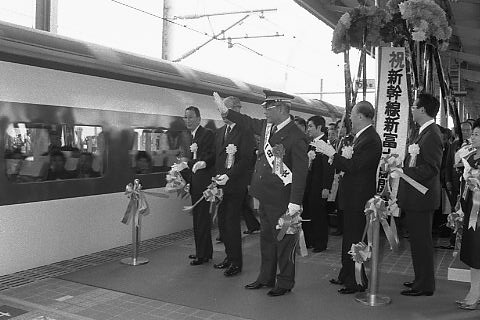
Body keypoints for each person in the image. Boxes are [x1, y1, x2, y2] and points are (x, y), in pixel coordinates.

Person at [214, 90, 308, 297]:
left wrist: (295, 203)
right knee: (266, 239)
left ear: (282, 108)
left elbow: (300, 174)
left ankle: (285, 281)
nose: (264, 110)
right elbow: (247, 121)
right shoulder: (267, 127)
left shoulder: (296, 136)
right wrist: (226, 111)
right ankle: (265, 277)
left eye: (268, 107)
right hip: (265, 195)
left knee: (284, 241)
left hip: (283, 199)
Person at [313, 101, 381, 294]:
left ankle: (357, 281)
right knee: (348, 237)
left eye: (352, 114)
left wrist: (332, 154)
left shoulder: (371, 139)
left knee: (354, 238)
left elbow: (353, 166)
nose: (349, 117)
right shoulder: (360, 137)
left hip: (358, 197)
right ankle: (346, 274)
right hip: (351, 195)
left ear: (360, 116)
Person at [394, 92, 443, 297]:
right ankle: (420, 279)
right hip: (415, 198)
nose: (412, 110)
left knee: (422, 243)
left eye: (414, 107)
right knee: (418, 241)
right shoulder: (423, 132)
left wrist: (403, 170)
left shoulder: (432, 134)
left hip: (421, 198)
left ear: (422, 110)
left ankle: (424, 286)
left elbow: (431, 169)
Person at [213, 96, 255, 277]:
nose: (223, 113)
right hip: (220, 186)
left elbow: (247, 160)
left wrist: (228, 176)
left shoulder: (245, 131)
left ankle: (236, 263)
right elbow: (217, 159)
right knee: (223, 223)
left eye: (227, 108)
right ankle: (229, 257)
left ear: (237, 109)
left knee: (231, 223)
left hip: (235, 185)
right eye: (221, 109)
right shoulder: (220, 131)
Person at [181, 106, 216, 265]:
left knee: (202, 220)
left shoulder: (206, 134)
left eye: (190, 117)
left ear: (199, 118)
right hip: (196, 183)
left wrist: (188, 164)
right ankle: (202, 251)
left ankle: (203, 254)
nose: (187, 120)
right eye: (185, 117)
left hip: (204, 185)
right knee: (198, 219)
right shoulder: (192, 136)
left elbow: (210, 156)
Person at [457, 119, 480, 309]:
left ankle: (475, 294)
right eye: (473, 133)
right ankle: (474, 292)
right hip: (471, 211)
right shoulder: (471, 156)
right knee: (473, 253)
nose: (472, 137)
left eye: (477, 135)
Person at [302, 115, 334, 252]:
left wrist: (326, 187)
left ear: (319, 127)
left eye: (310, 126)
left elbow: (329, 167)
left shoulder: (325, 144)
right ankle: (310, 240)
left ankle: (321, 243)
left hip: (319, 186)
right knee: (309, 213)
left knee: (319, 215)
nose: (308, 129)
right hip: (309, 185)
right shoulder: (312, 143)